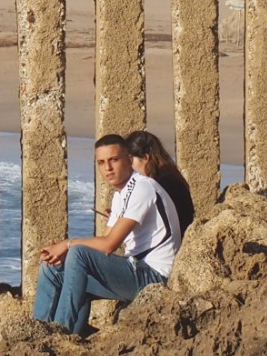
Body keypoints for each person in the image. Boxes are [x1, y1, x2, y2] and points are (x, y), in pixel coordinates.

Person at [34, 133, 183, 336]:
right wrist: (60, 252)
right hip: (135, 269)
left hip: (153, 275)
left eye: (114, 160)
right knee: (52, 268)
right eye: (101, 162)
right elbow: (102, 246)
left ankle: (61, 333)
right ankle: (38, 335)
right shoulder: (120, 195)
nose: (108, 168)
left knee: (78, 254)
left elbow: (109, 245)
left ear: (129, 160)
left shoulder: (142, 187)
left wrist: (68, 245)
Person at [125, 129, 195, 234]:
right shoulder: (169, 175)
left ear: (145, 158)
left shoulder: (159, 184)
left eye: (130, 160)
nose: (128, 166)